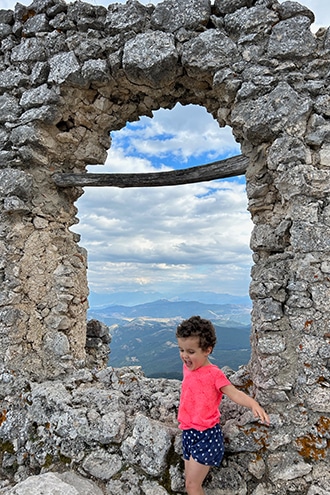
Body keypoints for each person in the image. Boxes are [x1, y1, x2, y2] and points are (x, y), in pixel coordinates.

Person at [176, 315, 270, 495]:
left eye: (190, 351)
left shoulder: (214, 374)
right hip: (188, 431)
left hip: (206, 436)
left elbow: (234, 393)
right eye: (181, 349)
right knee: (189, 482)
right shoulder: (188, 367)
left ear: (207, 350)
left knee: (192, 485)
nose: (184, 356)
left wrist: (253, 404)